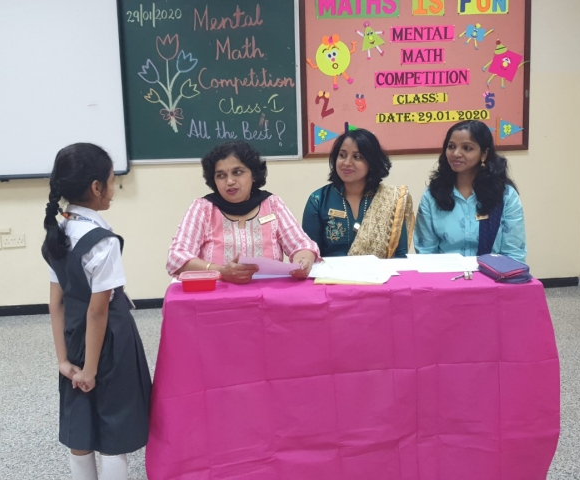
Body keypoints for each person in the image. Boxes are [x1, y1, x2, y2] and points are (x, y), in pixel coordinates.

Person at [41, 143, 151, 480]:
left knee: (80, 425)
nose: (114, 189)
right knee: (115, 430)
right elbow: (98, 312)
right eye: (112, 181)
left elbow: (56, 303)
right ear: (96, 187)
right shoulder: (102, 241)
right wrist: (90, 370)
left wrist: (64, 361)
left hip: (74, 337)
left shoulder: (58, 232)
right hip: (110, 344)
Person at [167, 140, 319, 283]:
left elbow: (303, 245)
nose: (229, 181)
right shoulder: (203, 208)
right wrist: (221, 271)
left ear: (253, 175)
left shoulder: (272, 204)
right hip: (216, 295)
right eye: (221, 175)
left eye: (237, 172)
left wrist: (303, 261)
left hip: (267, 293)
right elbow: (176, 258)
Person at [414, 120, 526, 262]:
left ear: (484, 154)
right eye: (451, 146)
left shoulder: (504, 195)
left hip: (492, 274)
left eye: (467, 148)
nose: (456, 153)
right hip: (445, 274)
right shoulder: (433, 195)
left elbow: (514, 254)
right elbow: (426, 253)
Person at [302, 128, 414, 258]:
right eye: (342, 155)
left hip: (380, 271)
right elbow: (311, 253)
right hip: (331, 271)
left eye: (357, 157)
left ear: (371, 162)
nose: (347, 163)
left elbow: (400, 256)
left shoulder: (391, 199)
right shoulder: (319, 200)